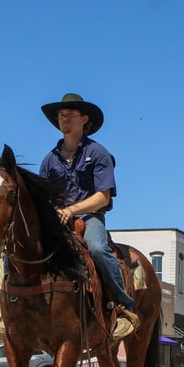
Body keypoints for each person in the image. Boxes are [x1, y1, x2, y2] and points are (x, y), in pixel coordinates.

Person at [39, 93, 139, 340]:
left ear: (84, 119)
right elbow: (42, 197)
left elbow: (103, 197)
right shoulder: (49, 160)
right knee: (22, 247)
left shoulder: (98, 153)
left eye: (71, 114)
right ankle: (10, 311)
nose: (64, 119)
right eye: (61, 115)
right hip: (58, 221)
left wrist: (72, 210)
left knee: (96, 249)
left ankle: (123, 306)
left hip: (90, 218)